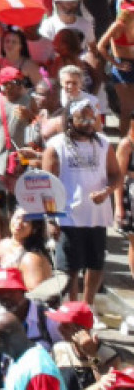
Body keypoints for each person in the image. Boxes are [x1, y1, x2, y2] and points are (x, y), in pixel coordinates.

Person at [44, 98, 120, 305]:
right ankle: (72, 307)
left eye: (91, 118)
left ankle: (87, 307)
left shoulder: (103, 143)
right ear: (70, 119)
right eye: (83, 118)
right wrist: (51, 220)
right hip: (67, 216)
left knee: (95, 265)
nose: (88, 122)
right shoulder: (55, 146)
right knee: (70, 268)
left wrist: (107, 191)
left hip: (97, 215)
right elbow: (47, 186)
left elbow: (116, 174)